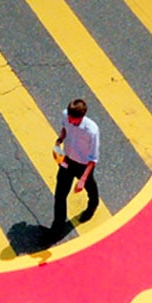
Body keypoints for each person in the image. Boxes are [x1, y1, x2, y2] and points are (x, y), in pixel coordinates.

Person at [50, 99, 100, 240]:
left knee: (90, 186)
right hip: (67, 161)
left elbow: (93, 159)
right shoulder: (66, 115)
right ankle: (57, 228)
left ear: (82, 116)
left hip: (83, 165)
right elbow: (65, 128)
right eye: (69, 118)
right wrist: (59, 140)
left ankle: (93, 204)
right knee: (60, 195)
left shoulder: (92, 131)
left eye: (74, 119)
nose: (70, 121)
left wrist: (82, 180)